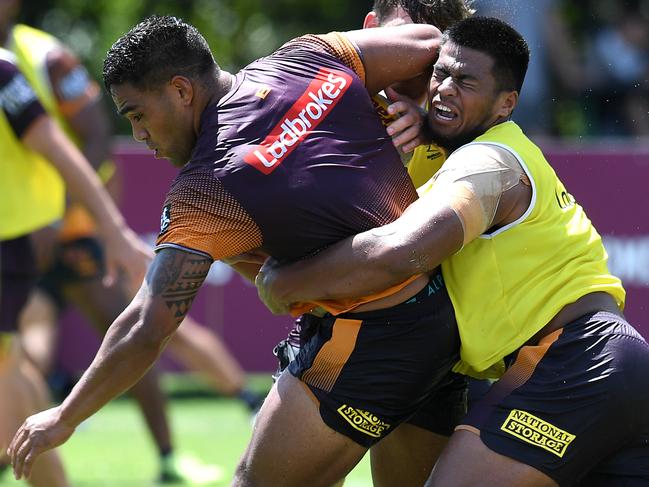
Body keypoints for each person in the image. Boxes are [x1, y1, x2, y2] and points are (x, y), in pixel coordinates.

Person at [6, 15, 468, 486]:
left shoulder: (207, 186)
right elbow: (431, 42)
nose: (140, 136)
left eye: (138, 114)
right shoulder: (301, 58)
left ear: (182, 91)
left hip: (368, 341)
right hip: (447, 319)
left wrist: (64, 416)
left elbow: (148, 326)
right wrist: (420, 113)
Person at [254, 16, 649, 486]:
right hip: (610, 363)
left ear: (506, 104)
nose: (443, 89)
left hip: (577, 360)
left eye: (466, 81)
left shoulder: (490, 162)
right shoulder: (465, 151)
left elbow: (401, 252)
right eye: (441, 73)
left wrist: (287, 283)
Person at [0, 5, 261, 482]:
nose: (140, 136)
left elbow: (88, 137)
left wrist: (91, 224)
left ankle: (176, 447)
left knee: (142, 325)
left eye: (141, 119)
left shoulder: (39, 57)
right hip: (19, 238)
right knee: (22, 356)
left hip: (69, 227)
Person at [269, 1, 474, 485]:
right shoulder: (313, 91)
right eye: (411, 42)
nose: (421, 63)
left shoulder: (465, 129)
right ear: (370, 30)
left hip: (430, 341)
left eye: (439, 57)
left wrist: (434, 131)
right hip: (337, 326)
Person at [0, 36, 150, 487]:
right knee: (15, 371)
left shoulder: (6, 71)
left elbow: (61, 148)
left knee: (10, 375)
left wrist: (114, 232)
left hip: (10, 244)